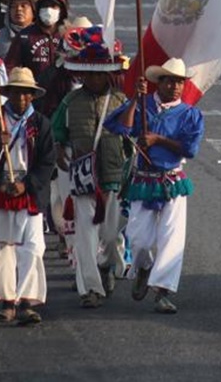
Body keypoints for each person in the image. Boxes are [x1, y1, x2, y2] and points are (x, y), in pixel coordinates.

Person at [104, 58, 204, 315]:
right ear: (158, 82)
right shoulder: (143, 105)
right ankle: (143, 267)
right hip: (143, 178)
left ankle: (163, 290)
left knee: (172, 238)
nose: (174, 86)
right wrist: (136, 99)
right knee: (139, 238)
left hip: (172, 179)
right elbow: (119, 127)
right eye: (169, 80)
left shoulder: (190, 114)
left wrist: (159, 139)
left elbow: (190, 149)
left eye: (179, 82)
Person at [0, 67, 56, 326]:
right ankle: (7, 302)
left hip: (29, 192)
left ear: (32, 96)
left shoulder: (41, 123)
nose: (21, 99)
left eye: (26, 94)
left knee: (32, 247)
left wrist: (27, 184)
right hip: (2, 189)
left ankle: (27, 301)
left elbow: (48, 161)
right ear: (8, 94)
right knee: (3, 247)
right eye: (16, 93)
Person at [51, 33, 129, 308]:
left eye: (100, 75)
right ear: (82, 75)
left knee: (111, 232)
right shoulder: (71, 101)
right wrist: (61, 151)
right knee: (85, 233)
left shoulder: (122, 101)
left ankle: (106, 265)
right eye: (90, 75)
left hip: (112, 176)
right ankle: (90, 289)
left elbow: (131, 139)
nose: (95, 80)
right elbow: (58, 130)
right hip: (82, 175)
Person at [4, 0, 68, 79]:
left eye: (53, 6)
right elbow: (10, 67)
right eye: (45, 6)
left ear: (61, 11)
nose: (48, 10)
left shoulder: (69, 37)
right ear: (38, 10)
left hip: (65, 92)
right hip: (33, 91)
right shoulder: (25, 36)